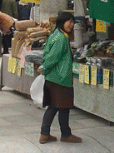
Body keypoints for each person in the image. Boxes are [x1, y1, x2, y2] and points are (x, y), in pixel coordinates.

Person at [38, 12, 81, 144]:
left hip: (54, 77)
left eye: (73, 22)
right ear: (62, 21)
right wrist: (44, 67)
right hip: (60, 77)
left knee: (61, 106)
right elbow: (53, 57)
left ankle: (62, 133)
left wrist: (44, 67)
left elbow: (48, 54)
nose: (71, 25)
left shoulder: (54, 34)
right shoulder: (61, 38)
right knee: (57, 106)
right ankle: (48, 134)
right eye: (69, 21)